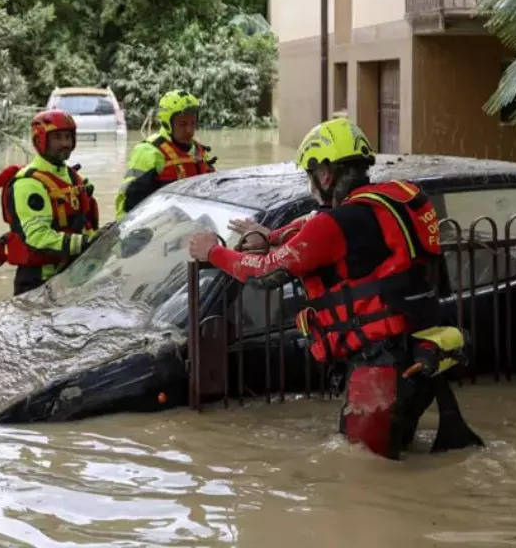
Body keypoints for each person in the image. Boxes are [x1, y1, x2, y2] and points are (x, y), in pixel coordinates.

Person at [187, 117, 483, 460]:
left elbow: (265, 274)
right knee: (393, 457)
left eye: (310, 175)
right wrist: (268, 234)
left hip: (378, 369)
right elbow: (313, 225)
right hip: (416, 355)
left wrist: (213, 251)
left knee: (364, 474)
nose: (311, 184)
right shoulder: (386, 203)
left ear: (325, 174)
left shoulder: (337, 224)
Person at [0, 110, 100, 295]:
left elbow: (84, 225)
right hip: (38, 282)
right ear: (41, 140)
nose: (65, 143)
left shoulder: (71, 176)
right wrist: (87, 243)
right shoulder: (28, 183)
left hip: (71, 276)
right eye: (57, 138)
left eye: (68, 137)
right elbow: (37, 237)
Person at [115, 90, 216, 221]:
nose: (190, 130)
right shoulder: (148, 152)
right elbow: (128, 202)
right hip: (161, 226)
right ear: (167, 124)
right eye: (182, 124)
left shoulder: (199, 151)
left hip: (193, 223)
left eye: (193, 123)